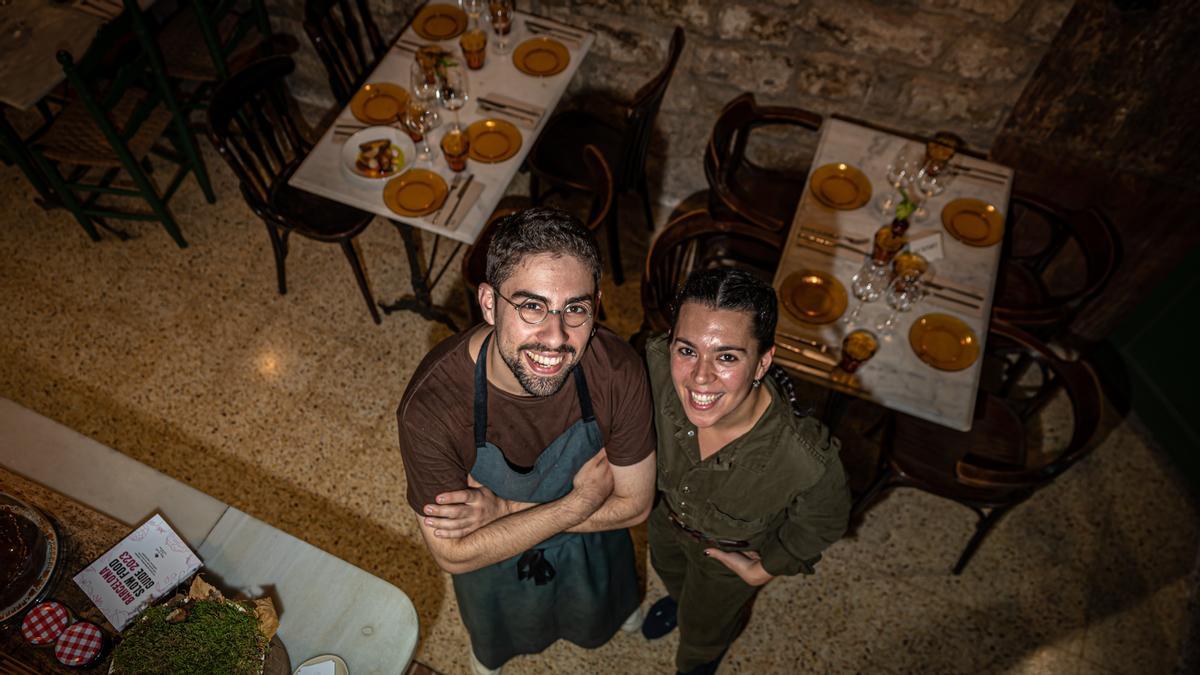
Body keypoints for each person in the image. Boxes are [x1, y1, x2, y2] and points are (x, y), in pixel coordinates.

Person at [396, 207, 656, 675]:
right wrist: (576, 505)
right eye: (532, 306)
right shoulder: (432, 408)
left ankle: (621, 614)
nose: (555, 338)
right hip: (511, 559)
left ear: (594, 306)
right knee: (497, 632)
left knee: (603, 604)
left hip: (585, 548)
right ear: (490, 303)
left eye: (574, 309)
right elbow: (452, 553)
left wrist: (506, 512)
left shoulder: (617, 370)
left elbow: (636, 506)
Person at [640, 268, 851, 675]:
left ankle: (702, 655)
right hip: (666, 523)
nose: (700, 377)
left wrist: (765, 567)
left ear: (762, 362)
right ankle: (682, 602)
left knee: (704, 633)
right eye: (686, 350)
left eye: (726, 356)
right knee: (668, 573)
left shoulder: (805, 457)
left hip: (728, 560)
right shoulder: (654, 365)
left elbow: (825, 519)